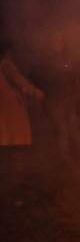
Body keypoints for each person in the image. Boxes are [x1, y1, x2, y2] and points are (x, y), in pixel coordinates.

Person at [1, 39, 44, 186]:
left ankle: (11, 177)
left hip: (5, 112)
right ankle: (17, 179)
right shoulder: (6, 65)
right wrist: (36, 92)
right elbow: (21, 82)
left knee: (8, 143)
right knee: (16, 145)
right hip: (11, 110)